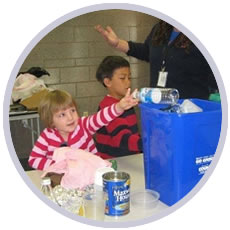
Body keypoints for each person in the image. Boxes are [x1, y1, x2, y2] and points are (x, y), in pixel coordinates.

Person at [95, 20, 218, 99]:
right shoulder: (160, 28)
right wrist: (117, 44)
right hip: (158, 102)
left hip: (189, 108)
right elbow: (148, 52)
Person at [28, 89, 138, 170]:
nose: (70, 117)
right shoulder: (47, 136)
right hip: (61, 179)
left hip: (89, 173)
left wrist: (119, 107)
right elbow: (33, 159)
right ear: (51, 121)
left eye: (72, 110)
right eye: (62, 115)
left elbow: (100, 117)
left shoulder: (83, 126)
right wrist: (58, 166)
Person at [95, 56, 142, 159]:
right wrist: (148, 144)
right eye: (122, 78)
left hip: (128, 159)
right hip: (113, 163)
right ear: (108, 82)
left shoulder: (127, 102)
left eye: (129, 77)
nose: (128, 82)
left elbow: (132, 133)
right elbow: (122, 138)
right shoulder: (107, 107)